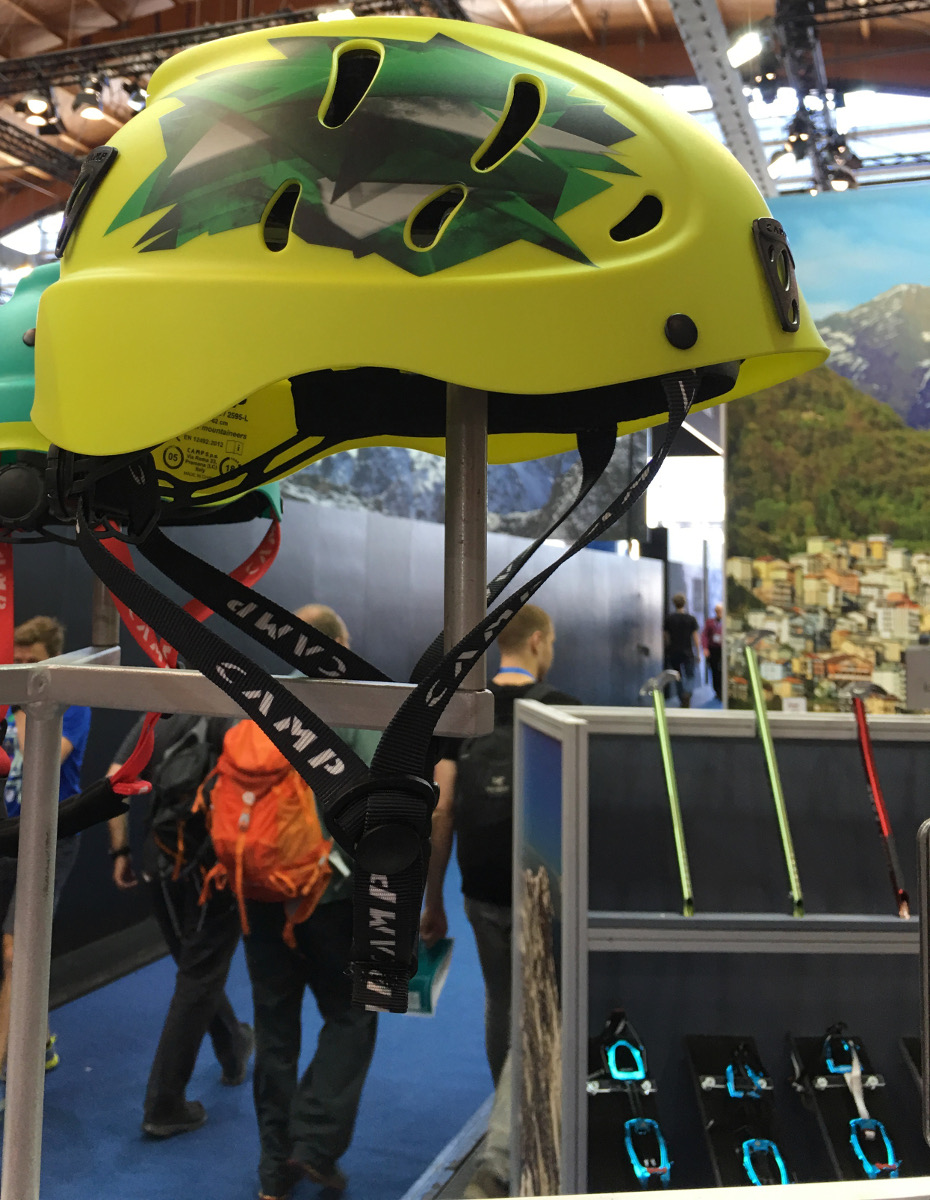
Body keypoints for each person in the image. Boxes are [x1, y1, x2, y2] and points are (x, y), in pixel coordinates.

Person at [420, 604, 578, 1199]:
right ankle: (500, 1159)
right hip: (543, 889)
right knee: (541, 1010)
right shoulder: (562, 709)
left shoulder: (466, 714)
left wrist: (433, 899)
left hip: (478, 884)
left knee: (501, 999)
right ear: (537, 640)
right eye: (551, 640)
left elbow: (441, 809)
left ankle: (506, 1109)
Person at [244, 603, 379, 1200]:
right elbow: (379, 806)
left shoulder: (259, 702)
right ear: (340, 645)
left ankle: (274, 1172)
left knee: (274, 1031)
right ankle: (315, 1144)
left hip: (259, 896)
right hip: (329, 897)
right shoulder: (354, 704)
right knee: (352, 1014)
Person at [106, 710, 254, 1138]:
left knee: (196, 970)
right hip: (213, 868)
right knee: (198, 974)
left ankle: (232, 1043)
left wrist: (120, 851)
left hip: (160, 860)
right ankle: (164, 1103)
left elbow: (114, 780)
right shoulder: (235, 715)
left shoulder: (159, 715)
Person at [0, 616, 92, 1114]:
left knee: (16, 951)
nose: (22, 668)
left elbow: (46, 754)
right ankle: (37, 1039)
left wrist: (20, 707)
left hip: (53, 836)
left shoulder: (71, 704)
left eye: (31, 662)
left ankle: (7, 1072)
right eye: (17, 659)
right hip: (10, 834)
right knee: (10, 955)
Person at [663, 592, 701, 708]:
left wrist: (668, 647)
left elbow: (666, 637)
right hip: (688, 651)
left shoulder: (669, 619)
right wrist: (698, 652)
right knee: (690, 675)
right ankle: (687, 695)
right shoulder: (691, 619)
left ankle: (681, 698)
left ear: (674, 604)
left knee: (677, 676)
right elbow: (695, 637)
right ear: (684, 603)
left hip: (674, 651)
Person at [702, 603, 724, 701]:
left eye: (721, 610)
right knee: (715, 670)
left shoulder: (727, 621)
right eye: (718, 611)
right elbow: (705, 636)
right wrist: (705, 648)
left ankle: (723, 691)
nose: (719, 612)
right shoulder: (710, 622)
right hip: (713, 649)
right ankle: (717, 691)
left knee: (722, 671)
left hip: (723, 649)